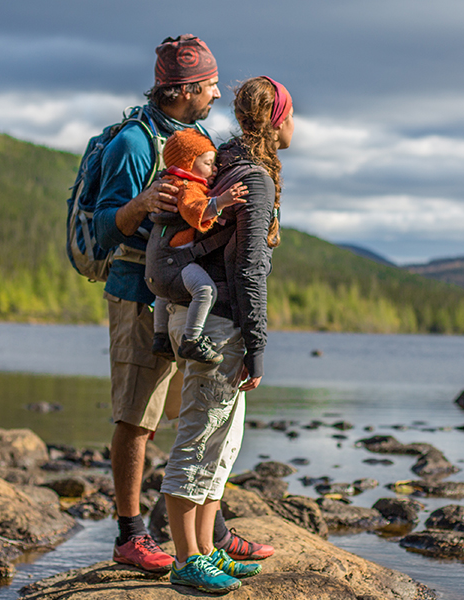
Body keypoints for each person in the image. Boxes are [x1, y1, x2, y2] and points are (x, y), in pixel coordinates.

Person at [93, 35, 272, 573]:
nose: (219, 92)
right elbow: (105, 229)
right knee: (138, 415)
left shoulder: (195, 137)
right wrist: (141, 204)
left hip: (182, 298)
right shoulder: (134, 143)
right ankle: (130, 535)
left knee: (191, 417)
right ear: (186, 88)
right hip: (138, 295)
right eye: (212, 84)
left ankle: (209, 533)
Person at [160, 76, 294, 594]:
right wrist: (257, 345)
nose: (294, 125)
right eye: (289, 114)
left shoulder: (228, 164)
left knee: (223, 442)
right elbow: (249, 268)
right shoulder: (252, 177)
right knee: (198, 441)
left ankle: (209, 550)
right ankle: (186, 559)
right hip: (219, 326)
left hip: (206, 317)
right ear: (276, 119)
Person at [150, 129, 248, 365]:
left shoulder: (167, 181)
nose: (214, 169)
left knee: (163, 293)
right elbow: (196, 210)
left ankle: (161, 338)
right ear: (187, 163)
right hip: (175, 263)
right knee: (205, 291)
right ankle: (191, 340)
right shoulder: (187, 188)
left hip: (156, 265)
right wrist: (223, 201)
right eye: (207, 163)